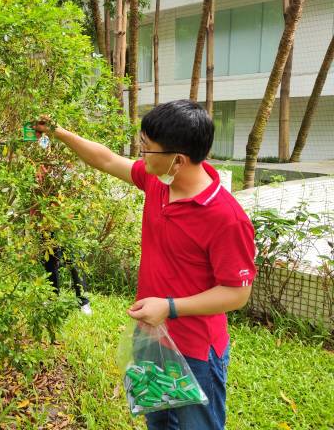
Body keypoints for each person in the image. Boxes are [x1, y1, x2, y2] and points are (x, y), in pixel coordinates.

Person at [34, 100, 256, 430]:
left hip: (196, 352)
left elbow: (237, 294)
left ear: (178, 160)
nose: (141, 156)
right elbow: (106, 159)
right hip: (151, 337)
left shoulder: (226, 218)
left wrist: (169, 307)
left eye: (147, 149)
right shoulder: (158, 182)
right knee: (159, 424)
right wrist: (59, 132)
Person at [33, 163, 92, 315]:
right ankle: (53, 298)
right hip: (46, 221)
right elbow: (35, 194)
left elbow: (74, 189)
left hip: (66, 220)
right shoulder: (38, 166)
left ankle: (83, 302)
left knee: (74, 260)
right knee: (50, 261)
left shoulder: (66, 165)